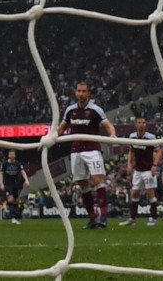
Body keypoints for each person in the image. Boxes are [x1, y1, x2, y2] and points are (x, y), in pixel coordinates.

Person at [59, 81, 116, 230]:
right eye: (79, 91)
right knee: (82, 184)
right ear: (75, 92)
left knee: (98, 180)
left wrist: (112, 134)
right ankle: (92, 218)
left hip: (92, 150)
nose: (81, 93)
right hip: (76, 151)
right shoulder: (70, 110)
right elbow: (61, 128)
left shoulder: (95, 109)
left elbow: (108, 125)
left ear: (88, 93)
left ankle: (103, 216)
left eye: (84, 91)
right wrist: (49, 139)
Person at [122, 117, 162, 226]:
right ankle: (132, 218)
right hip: (138, 170)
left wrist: (155, 165)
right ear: (136, 124)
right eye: (139, 122)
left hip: (148, 169)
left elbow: (159, 151)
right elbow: (131, 150)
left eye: (143, 122)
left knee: (150, 193)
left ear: (145, 125)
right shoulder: (132, 136)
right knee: (134, 193)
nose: (141, 124)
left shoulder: (151, 137)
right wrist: (129, 164)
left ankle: (153, 218)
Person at [0, 149, 29, 225]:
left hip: (16, 184)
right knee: (10, 199)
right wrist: (1, 184)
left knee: (16, 201)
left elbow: (22, 172)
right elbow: (1, 174)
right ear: (8, 155)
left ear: (15, 155)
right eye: (11, 154)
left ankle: (14, 216)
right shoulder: (5, 164)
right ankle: (12, 216)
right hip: (8, 184)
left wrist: (26, 180)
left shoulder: (18, 163)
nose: (12, 156)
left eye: (13, 154)